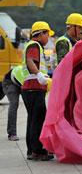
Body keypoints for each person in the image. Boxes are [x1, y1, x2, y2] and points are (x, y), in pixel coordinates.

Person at [21, 21, 54, 161]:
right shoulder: (35, 45)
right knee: (38, 120)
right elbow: (30, 61)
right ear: (41, 33)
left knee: (33, 120)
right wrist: (39, 75)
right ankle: (38, 150)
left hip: (30, 89)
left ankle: (31, 150)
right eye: (48, 34)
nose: (49, 38)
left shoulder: (33, 45)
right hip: (33, 88)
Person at [2, 65, 24, 141]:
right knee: (14, 103)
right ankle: (12, 133)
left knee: (31, 105)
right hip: (9, 82)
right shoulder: (25, 74)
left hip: (19, 81)